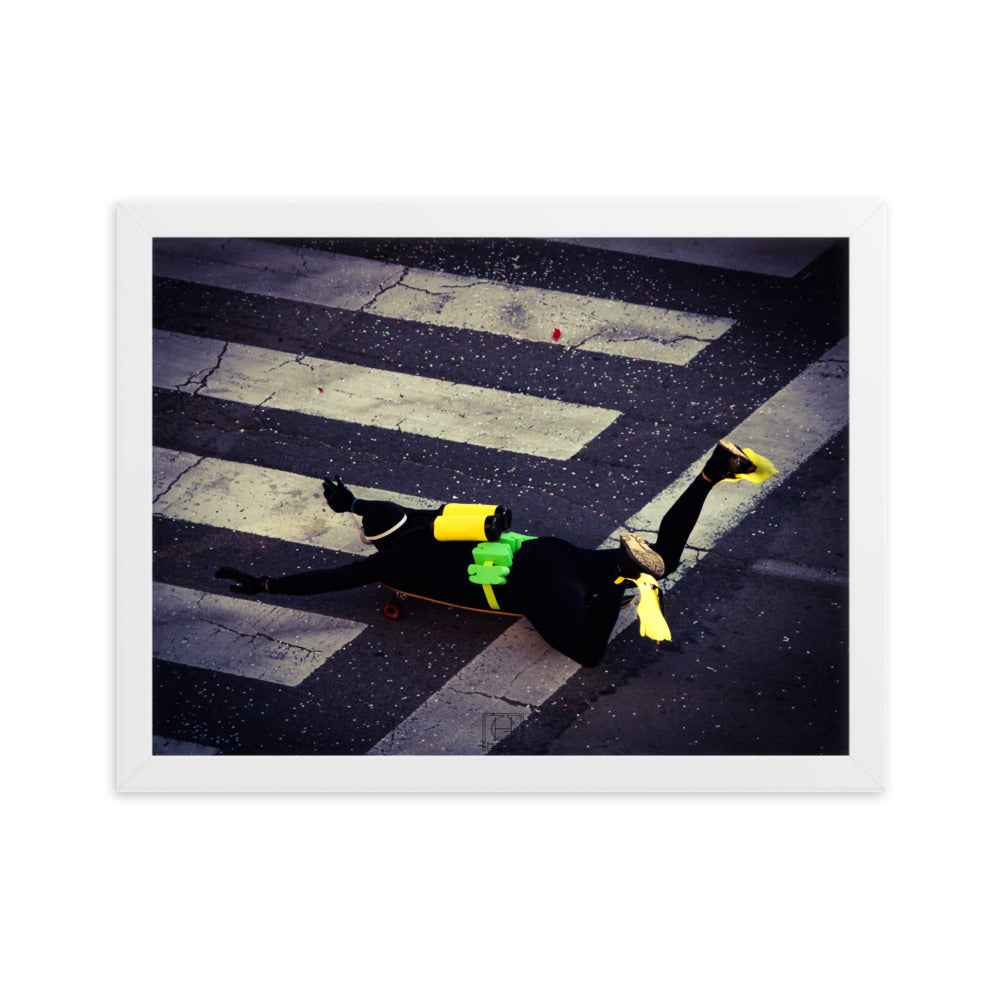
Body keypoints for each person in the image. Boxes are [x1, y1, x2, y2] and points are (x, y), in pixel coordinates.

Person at [216, 440, 770, 669]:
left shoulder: (388, 564)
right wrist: (351, 502)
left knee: (588, 652)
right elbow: (380, 509)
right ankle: (712, 471)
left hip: (529, 586)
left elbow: (330, 579)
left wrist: (266, 585)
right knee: (666, 557)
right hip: (552, 553)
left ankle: (624, 575)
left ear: (375, 545)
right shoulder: (434, 520)